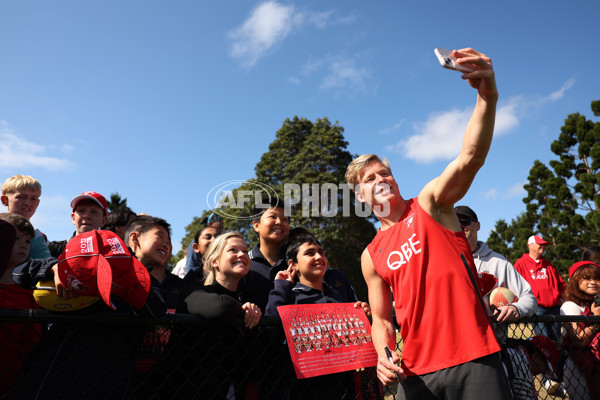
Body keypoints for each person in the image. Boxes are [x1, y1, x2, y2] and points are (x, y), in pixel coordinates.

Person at [346, 48, 512, 399]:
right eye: (369, 178)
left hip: (475, 357)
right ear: (360, 196)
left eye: (384, 172)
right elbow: (382, 319)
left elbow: (469, 158)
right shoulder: (371, 255)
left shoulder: (429, 203)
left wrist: (487, 95)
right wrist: (382, 355)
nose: (380, 178)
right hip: (417, 373)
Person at [265, 228, 371, 400]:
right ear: (294, 265)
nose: (318, 257)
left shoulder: (338, 296)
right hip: (301, 390)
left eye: (321, 253)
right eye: (309, 253)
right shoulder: (289, 296)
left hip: (343, 389)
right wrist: (281, 288)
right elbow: (270, 329)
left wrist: (363, 316)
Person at [160, 232, 262, 400]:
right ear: (215, 261)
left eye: (245, 251)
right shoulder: (192, 291)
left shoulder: (248, 303)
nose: (242, 254)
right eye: (233, 250)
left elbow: (254, 365)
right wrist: (242, 310)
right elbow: (221, 307)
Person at [456, 205, 538, 399]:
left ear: (477, 225)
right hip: (454, 353)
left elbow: (529, 297)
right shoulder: (442, 260)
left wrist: (516, 308)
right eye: (455, 221)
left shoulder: (497, 262)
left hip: (492, 351)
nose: (460, 225)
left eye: (465, 221)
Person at [0, 213, 43, 398]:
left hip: (13, 382)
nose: (24, 245)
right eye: (16, 238)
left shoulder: (30, 294)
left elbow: (32, 344)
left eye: (28, 240)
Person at [559, 261, 600, 400]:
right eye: (587, 278)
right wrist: (597, 320)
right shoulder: (570, 306)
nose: (593, 282)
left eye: (597, 278)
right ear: (576, 281)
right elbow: (579, 340)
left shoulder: (596, 305)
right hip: (579, 368)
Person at [514, 234, 565, 343]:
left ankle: (557, 360)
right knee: (544, 339)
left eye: (544, 245)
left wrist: (562, 298)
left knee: (557, 339)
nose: (543, 247)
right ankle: (547, 360)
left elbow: (561, 284)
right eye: (540, 244)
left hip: (554, 307)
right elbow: (514, 283)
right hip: (537, 308)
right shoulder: (521, 263)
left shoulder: (548, 264)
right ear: (530, 246)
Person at [1, 175, 50, 259]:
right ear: (5, 200)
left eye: (33, 198)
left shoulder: (41, 239)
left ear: (38, 203)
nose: (28, 203)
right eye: (21, 197)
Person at [48, 191, 109, 257]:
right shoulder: (54, 249)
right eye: (81, 211)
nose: (86, 216)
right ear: (73, 218)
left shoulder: (111, 252)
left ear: (103, 220)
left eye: (94, 212)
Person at [183, 212, 224, 276]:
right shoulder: (196, 241)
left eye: (222, 225)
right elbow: (190, 266)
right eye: (219, 224)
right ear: (196, 247)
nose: (221, 228)